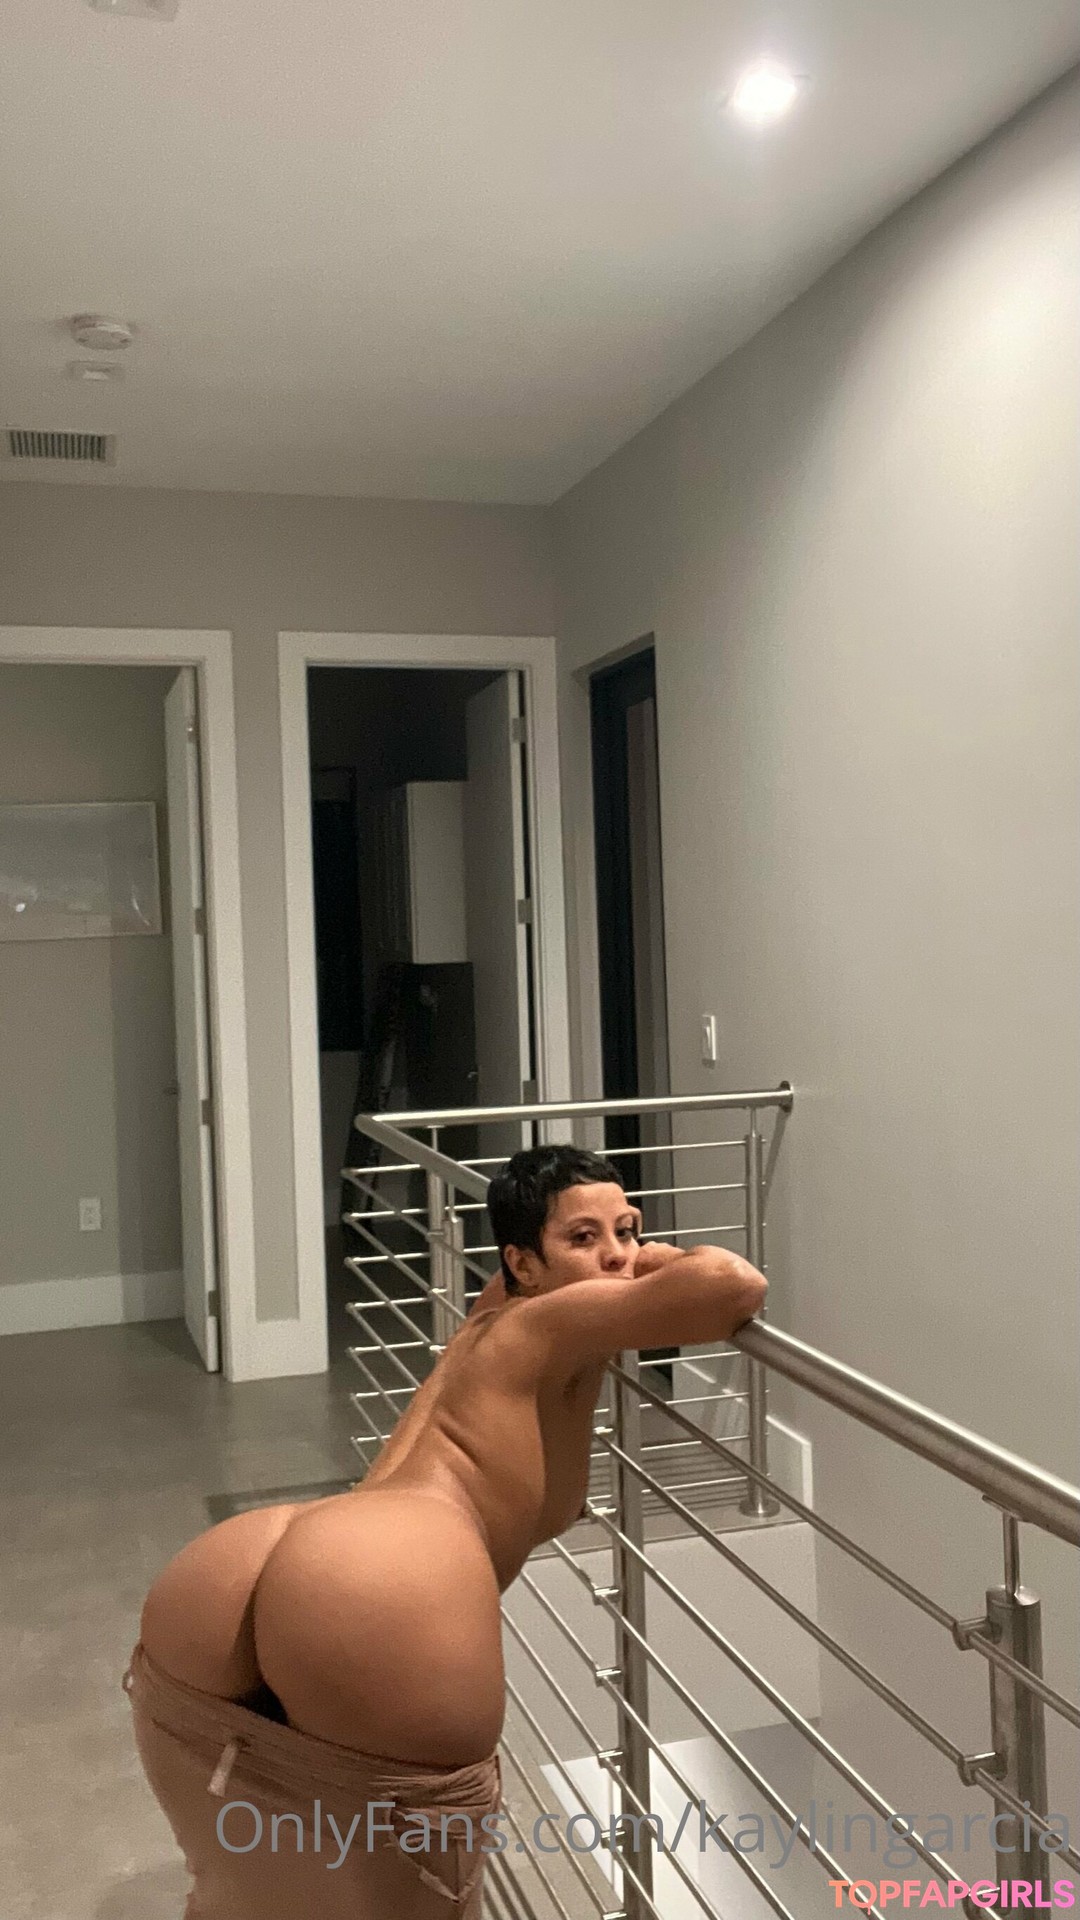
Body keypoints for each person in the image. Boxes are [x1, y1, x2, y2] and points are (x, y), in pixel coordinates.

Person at [126, 1144, 767, 1917]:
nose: (616, 1256)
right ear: (522, 1262)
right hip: (391, 1574)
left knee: (235, 1892)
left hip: (255, 1557)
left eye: (626, 1230)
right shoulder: (558, 1317)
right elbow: (732, 1286)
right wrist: (654, 1257)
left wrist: (602, 1248)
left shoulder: (500, 1309)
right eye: (583, 1237)